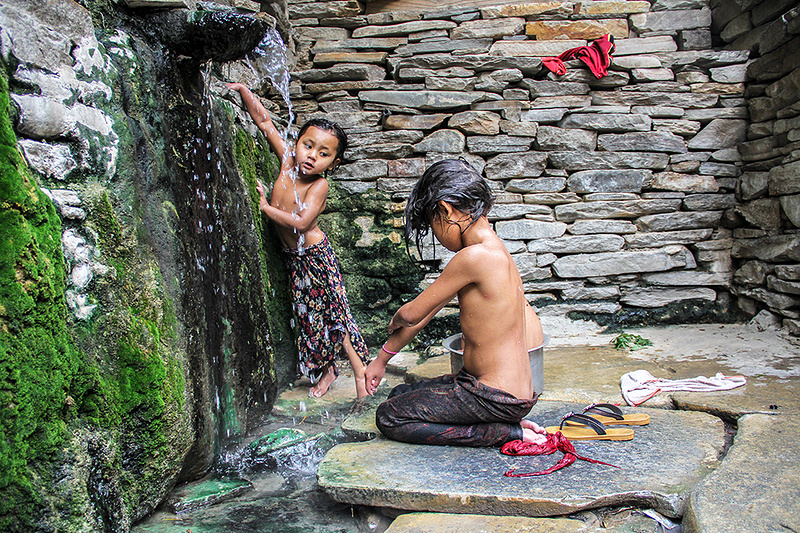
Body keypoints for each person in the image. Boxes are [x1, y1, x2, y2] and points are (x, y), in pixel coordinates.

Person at [364, 158, 547, 447]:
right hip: (497, 391)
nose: (436, 235)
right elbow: (428, 312)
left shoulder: (474, 258)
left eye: (433, 225)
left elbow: (413, 314)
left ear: (445, 210)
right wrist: (381, 360)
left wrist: (398, 316)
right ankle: (500, 421)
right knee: (398, 394)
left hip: (492, 395)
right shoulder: (494, 249)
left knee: (390, 416)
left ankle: (503, 432)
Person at [227, 82, 369, 399]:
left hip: (316, 257)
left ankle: (361, 377)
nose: (312, 156)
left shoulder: (319, 186)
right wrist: (242, 91)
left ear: (333, 163)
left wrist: (265, 208)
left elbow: (302, 222)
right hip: (294, 258)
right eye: (308, 145)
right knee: (309, 317)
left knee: (336, 314)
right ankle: (328, 370)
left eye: (323, 153)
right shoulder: (288, 162)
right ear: (297, 145)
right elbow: (264, 122)